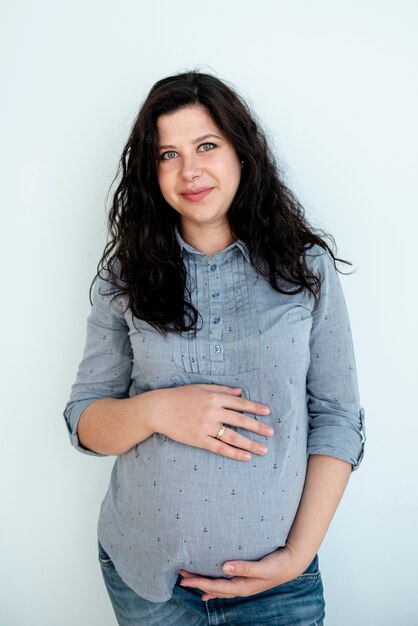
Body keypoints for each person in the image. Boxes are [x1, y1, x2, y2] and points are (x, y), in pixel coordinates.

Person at [63, 70, 366, 626]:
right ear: (149, 173)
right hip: (148, 583)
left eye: (206, 146)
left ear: (242, 154)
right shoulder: (125, 276)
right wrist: (157, 410)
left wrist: (295, 558)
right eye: (167, 155)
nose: (189, 170)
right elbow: (84, 421)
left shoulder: (307, 270)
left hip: (279, 587)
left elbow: (339, 418)